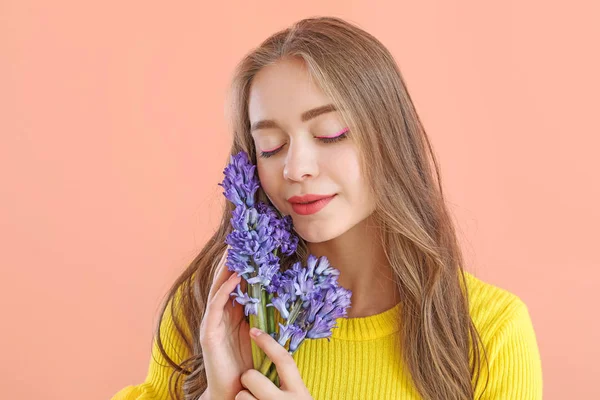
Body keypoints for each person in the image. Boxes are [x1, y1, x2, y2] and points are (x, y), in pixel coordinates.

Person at [111, 16, 542, 400]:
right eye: (271, 146)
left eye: (331, 134)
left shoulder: (488, 332)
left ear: (389, 137)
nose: (296, 168)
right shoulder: (213, 312)